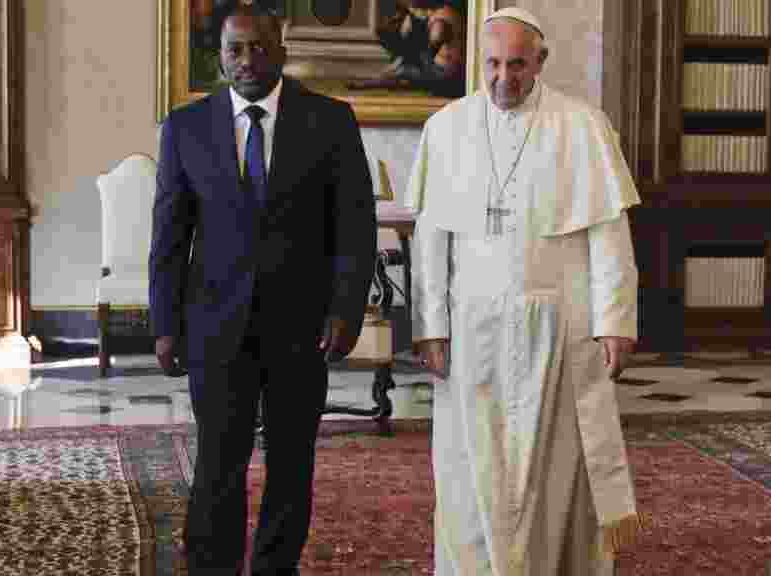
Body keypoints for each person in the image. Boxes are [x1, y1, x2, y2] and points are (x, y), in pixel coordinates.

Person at [407, 7, 642, 575]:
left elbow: (608, 233)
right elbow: (431, 239)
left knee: (555, 462)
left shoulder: (583, 126)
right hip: (472, 329)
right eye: (491, 63)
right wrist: (429, 325)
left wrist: (615, 319)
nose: (502, 78)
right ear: (476, 62)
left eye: (516, 64)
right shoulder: (446, 129)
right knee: (473, 464)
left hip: (558, 325)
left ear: (540, 61)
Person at [148, 1, 377, 574]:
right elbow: (169, 234)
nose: (247, 60)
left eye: (258, 48)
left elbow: (355, 225)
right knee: (219, 461)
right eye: (235, 49)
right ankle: (213, 564)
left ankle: (277, 566)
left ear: (281, 50)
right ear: (220, 56)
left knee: (292, 461)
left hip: (300, 326)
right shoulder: (186, 127)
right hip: (215, 323)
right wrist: (165, 324)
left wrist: (346, 310)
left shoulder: (330, 120)